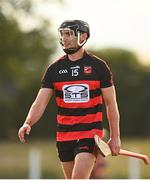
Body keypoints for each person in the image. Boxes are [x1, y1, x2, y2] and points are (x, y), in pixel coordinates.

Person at [18, 20, 121, 179]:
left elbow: (111, 104)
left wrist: (115, 137)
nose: (64, 38)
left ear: (83, 36)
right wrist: (28, 122)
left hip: (90, 135)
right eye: (62, 34)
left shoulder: (98, 67)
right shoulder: (54, 69)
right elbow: (40, 102)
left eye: (69, 34)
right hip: (64, 136)